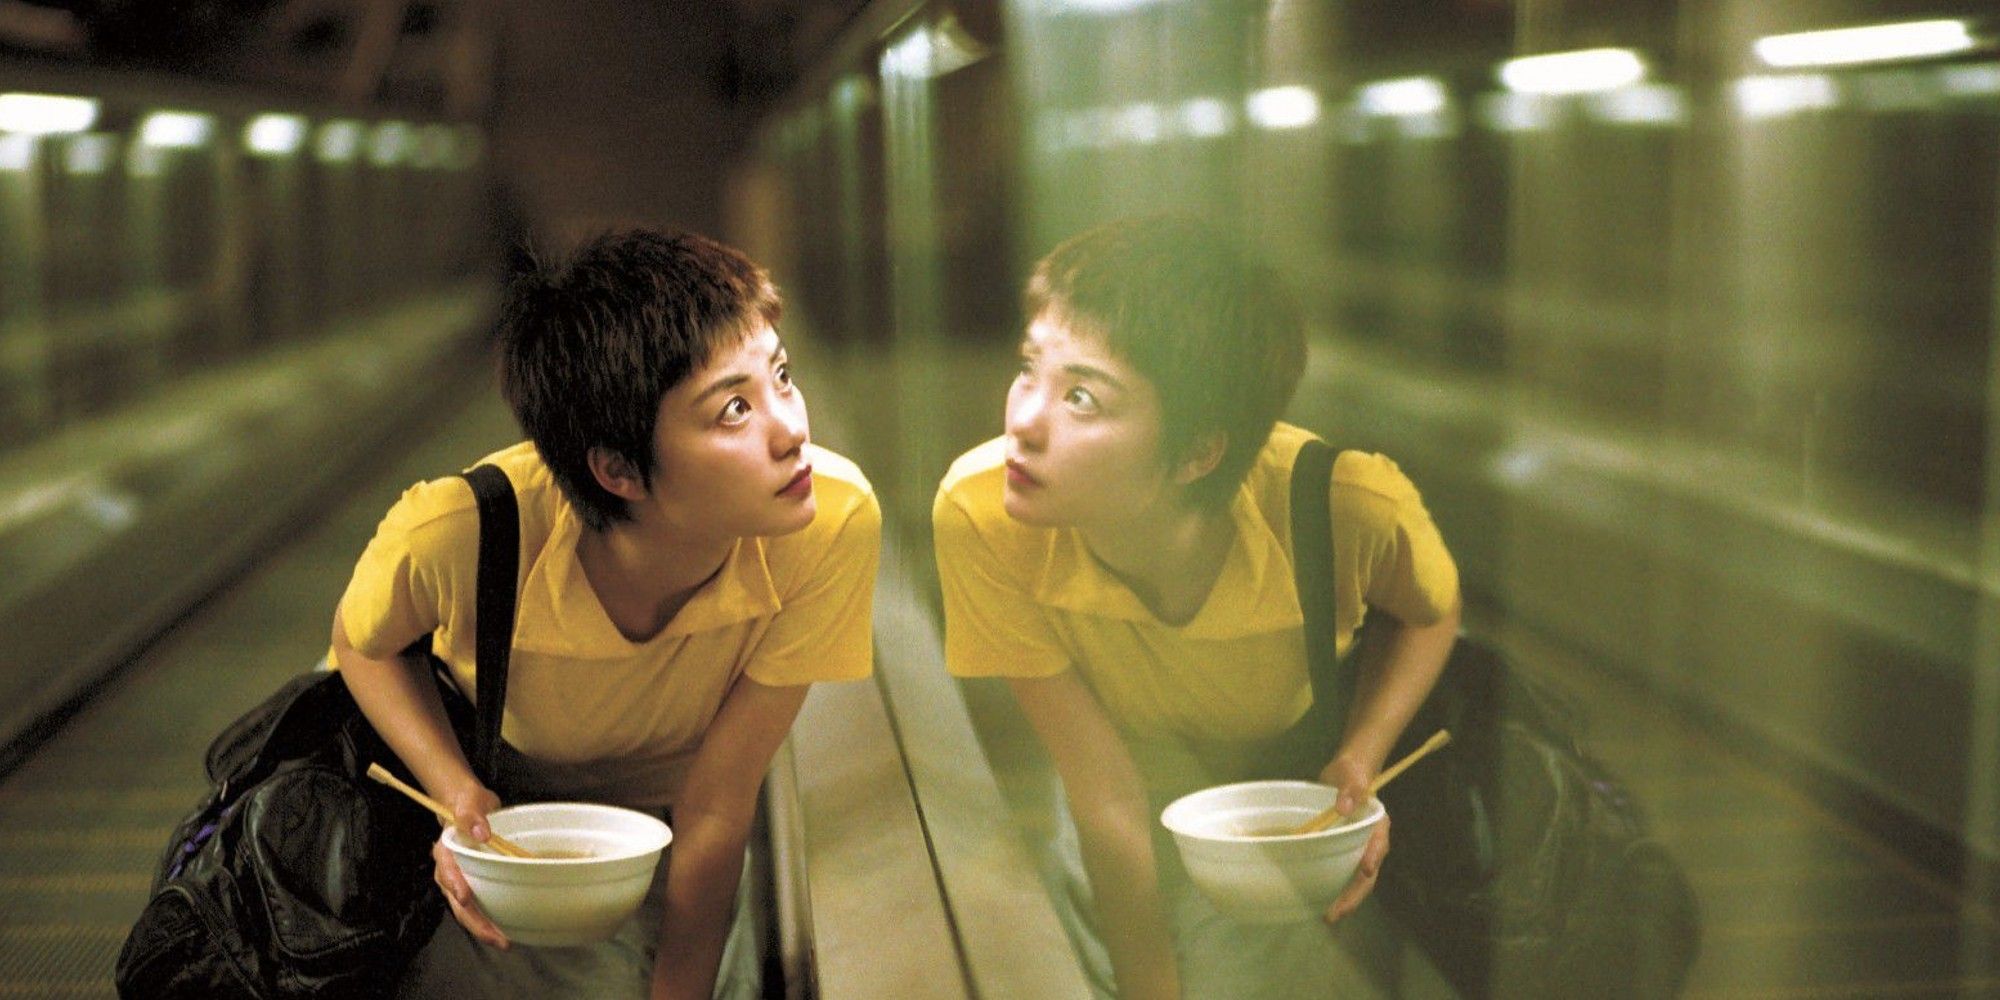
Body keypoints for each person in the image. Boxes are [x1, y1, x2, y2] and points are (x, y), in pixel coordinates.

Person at [331, 230, 880, 999]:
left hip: (658, 829)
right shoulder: (462, 532)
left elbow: (719, 805)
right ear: (619, 469)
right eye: (732, 409)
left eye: (781, 376)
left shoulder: (828, 522)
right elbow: (360, 646)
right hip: (502, 803)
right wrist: (455, 793)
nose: (792, 430)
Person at [932, 216, 1461, 999]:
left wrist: (1361, 756)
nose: (1022, 421)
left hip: (1282, 772)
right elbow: (1104, 792)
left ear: (1197, 454)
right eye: (1028, 369)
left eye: (1081, 396)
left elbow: (1429, 611)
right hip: (1127, 766)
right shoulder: (982, 512)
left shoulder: (1345, 505)